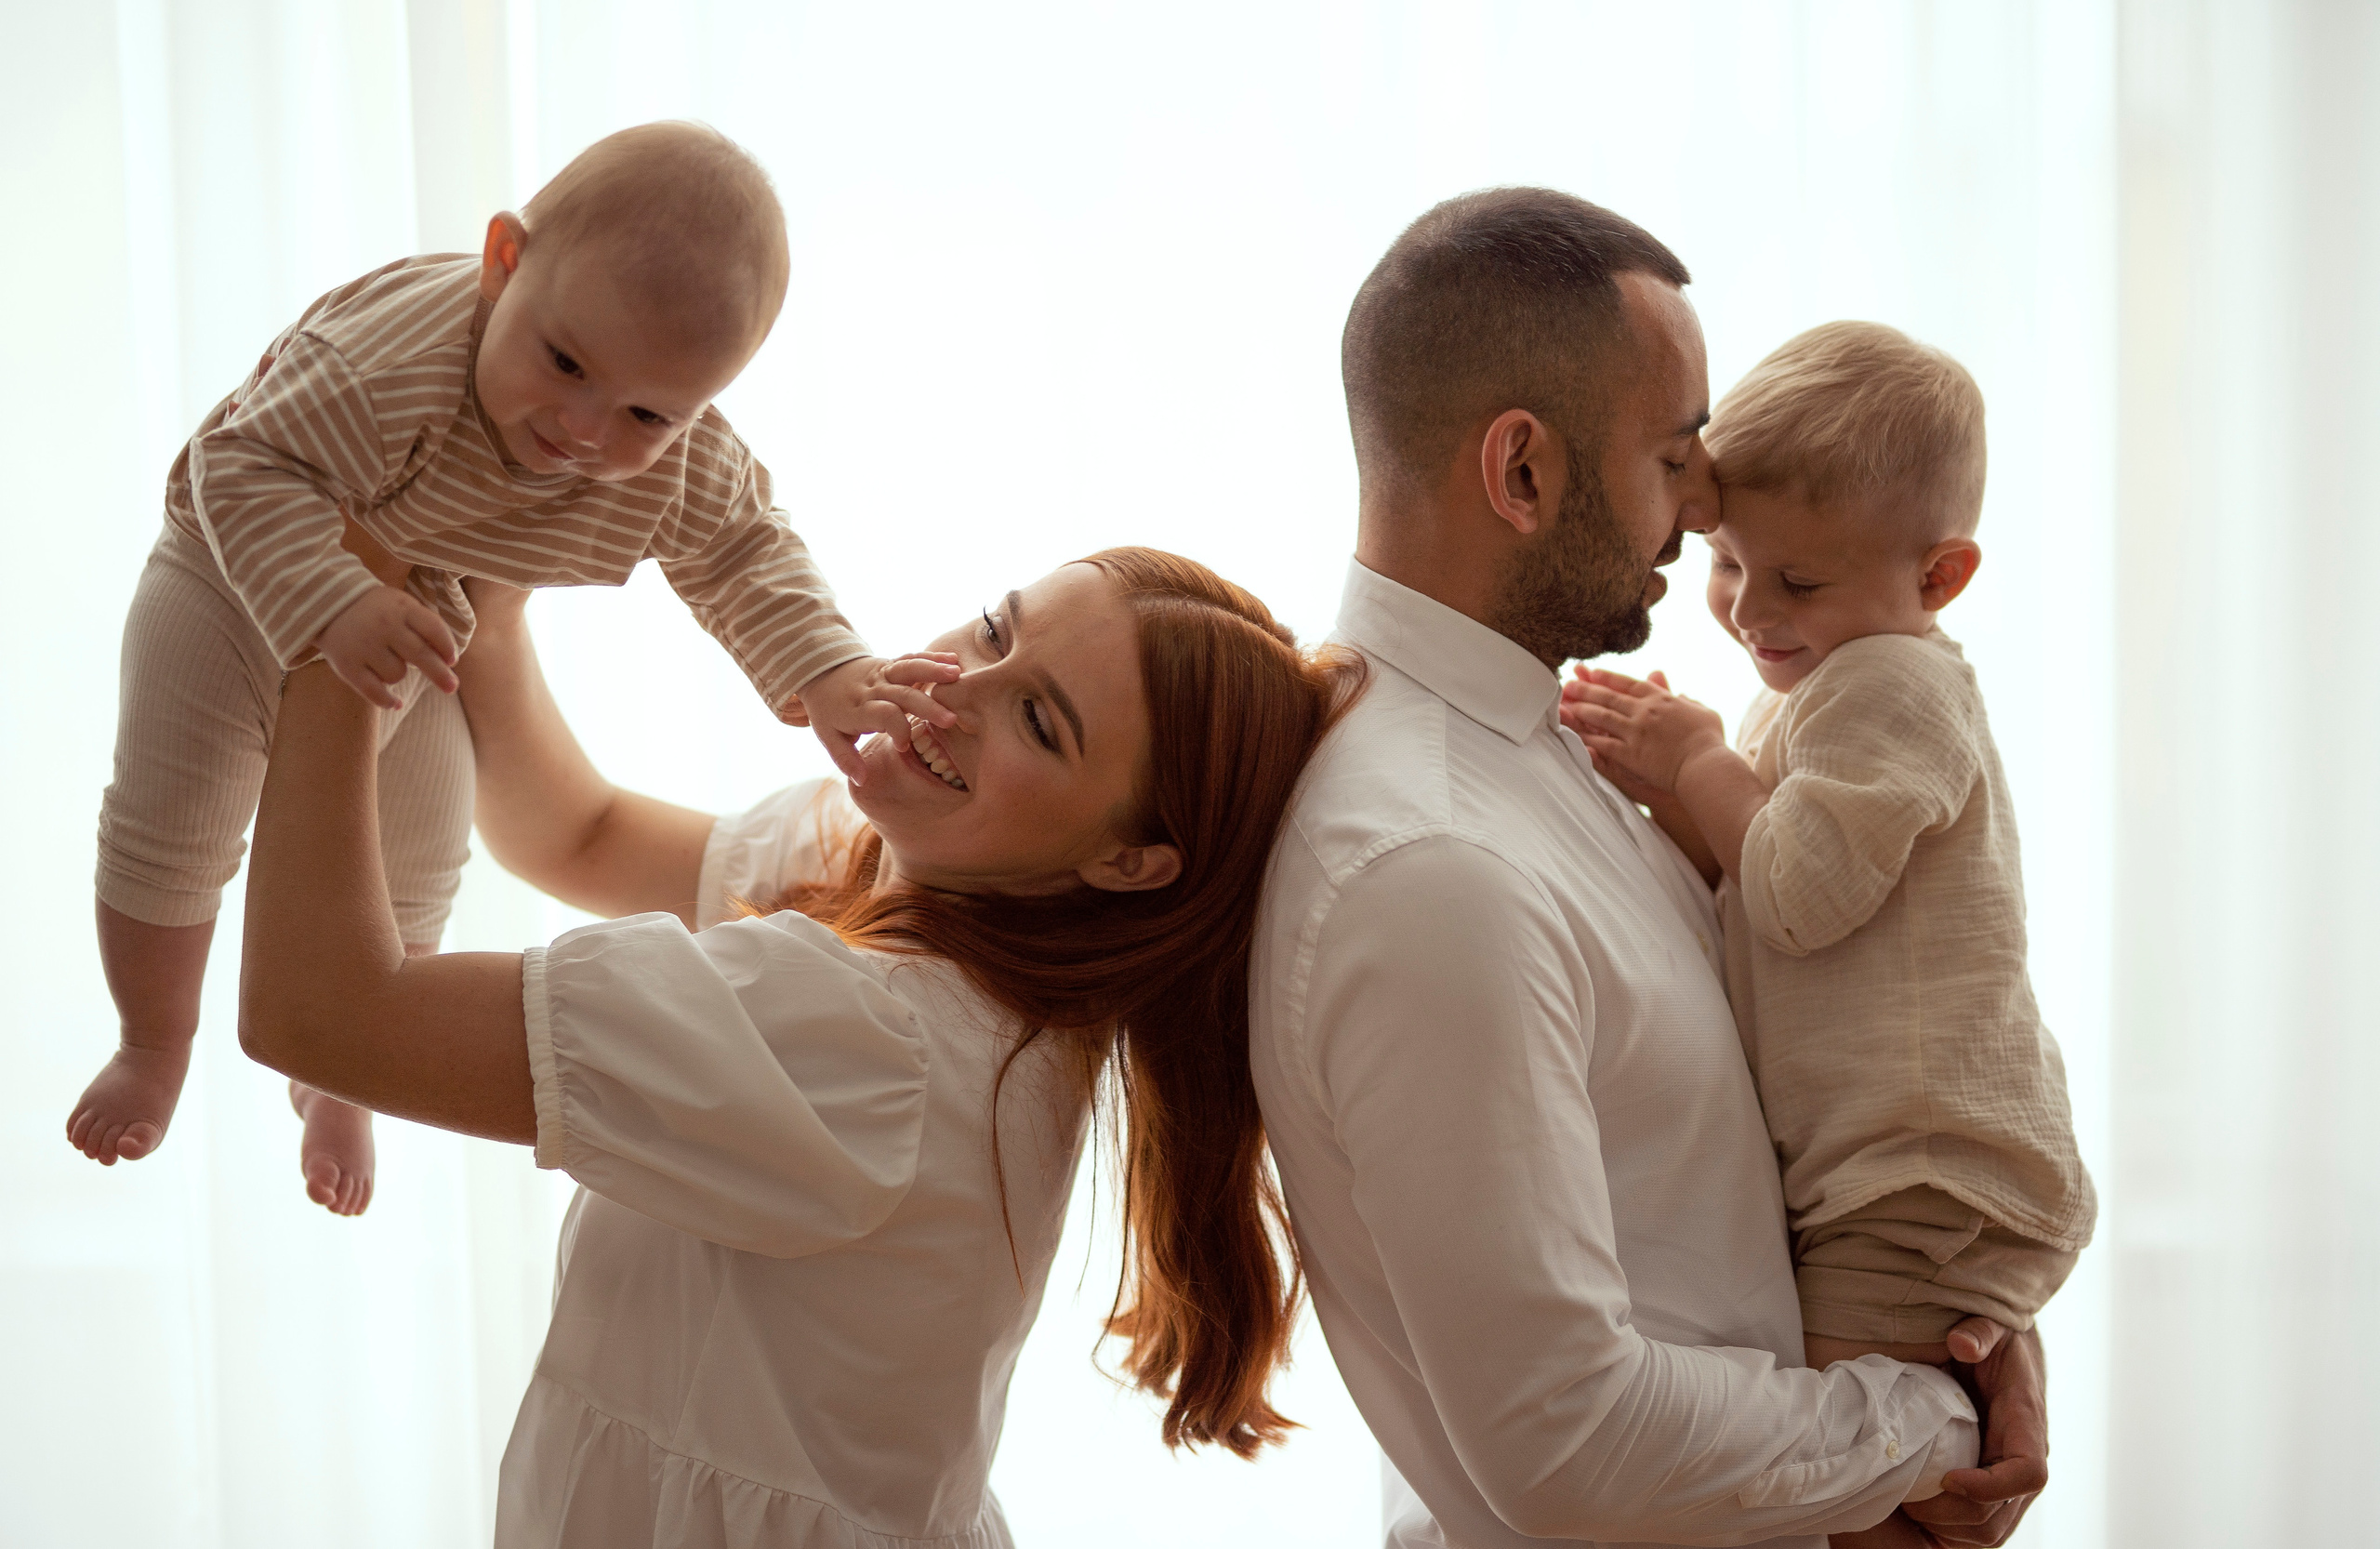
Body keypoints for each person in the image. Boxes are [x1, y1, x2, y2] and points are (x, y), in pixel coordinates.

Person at [237, 549, 1362, 1545]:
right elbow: (574, 830)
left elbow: (319, 1016)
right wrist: (493, 584)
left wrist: (334, 621)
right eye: (991, 627)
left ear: (1128, 861)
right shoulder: (899, 867)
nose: (957, 691)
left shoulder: (870, 1037)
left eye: (1037, 720)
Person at [1250, 189, 2047, 1548]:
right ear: (1523, 473)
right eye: (1677, 455)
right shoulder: (1432, 860)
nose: (1701, 503)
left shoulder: (1548, 760)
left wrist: (1957, 1323)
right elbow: (1568, 1439)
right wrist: (1926, 1418)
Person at [71, 121, 948, 1215]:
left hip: (420, 607)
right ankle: (152, 1040)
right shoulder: (390, 362)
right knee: (177, 815)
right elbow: (235, 464)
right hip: (227, 575)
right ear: (503, 262)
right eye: (565, 363)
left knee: (425, 842)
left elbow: (743, 548)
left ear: (706, 401)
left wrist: (823, 665)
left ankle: (339, 1081)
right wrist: (333, 597)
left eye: (646, 414)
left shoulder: (682, 459)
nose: (583, 427)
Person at [1561, 323, 2095, 1403]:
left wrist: (1700, 762)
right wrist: (1671, 783)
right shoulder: (1820, 683)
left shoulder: (1885, 684)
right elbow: (1746, 879)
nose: (1750, 612)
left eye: (1797, 582)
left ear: (1939, 575)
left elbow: (1797, 896)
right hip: (1903, 1180)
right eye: (1726, 564)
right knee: (1872, 1461)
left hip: (1921, 1182)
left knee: (1862, 1480)